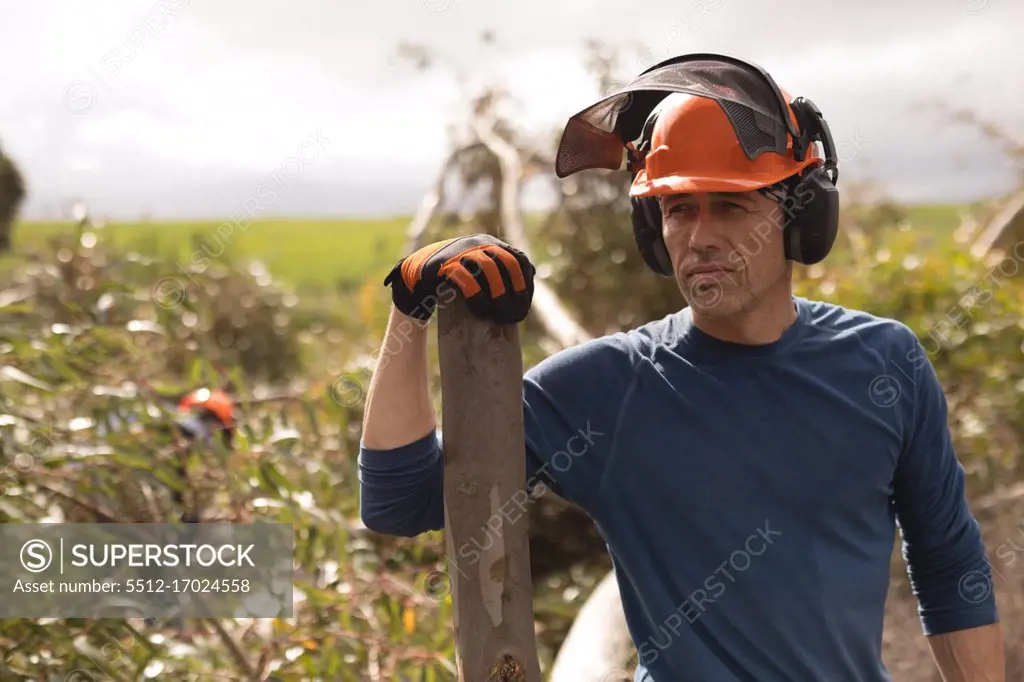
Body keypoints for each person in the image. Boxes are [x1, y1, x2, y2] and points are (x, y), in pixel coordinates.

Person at [358, 54, 1004, 681]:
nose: (700, 237)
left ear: (800, 215)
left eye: (730, 205)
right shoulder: (603, 390)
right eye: (678, 208)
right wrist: (410, 311)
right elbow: (398, 502)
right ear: (651, 227)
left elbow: (948, 562)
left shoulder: (883, 361)